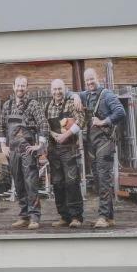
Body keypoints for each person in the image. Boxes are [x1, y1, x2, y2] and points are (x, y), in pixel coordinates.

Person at [76, 68, 127, 228]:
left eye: (92, 79)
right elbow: (71, 93)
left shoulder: (108, 95)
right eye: (87, 81)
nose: (90, 82)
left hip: (105, 143)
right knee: (99, 180)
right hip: (93, 143)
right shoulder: (86, 95)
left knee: (104, 179)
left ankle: (103, 217)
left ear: (97, 78)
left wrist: (104, 121)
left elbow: (121, 112)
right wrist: (76, 96)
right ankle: (109, 217)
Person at [0, 76, 47, 229]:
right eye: (18, 85)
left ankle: (34, 217)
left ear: (27, 87)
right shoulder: (7, 105)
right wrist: (3, 146)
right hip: (13, 151)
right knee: (18, 184)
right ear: (13, 86)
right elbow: (1, 126)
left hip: (27, 151)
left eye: (23, 86)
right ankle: (24, 215)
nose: (20, 88)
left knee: (31, 184)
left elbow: (43, 125)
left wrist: (39, 145)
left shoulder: (33, 105)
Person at [45, 79, 85, 228]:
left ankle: (76, 217)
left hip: (69, 149)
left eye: (60, 89)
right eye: (54, 89)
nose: (57, 92)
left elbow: (81, 120)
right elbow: (43, 124)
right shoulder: (47, 106)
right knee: (57, 183)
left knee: (72, 182)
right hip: (54, 150)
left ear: (65, 89)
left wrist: (66, 135)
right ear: (51, 91)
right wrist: (52, 134)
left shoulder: (71, 102)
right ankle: (64, 216)